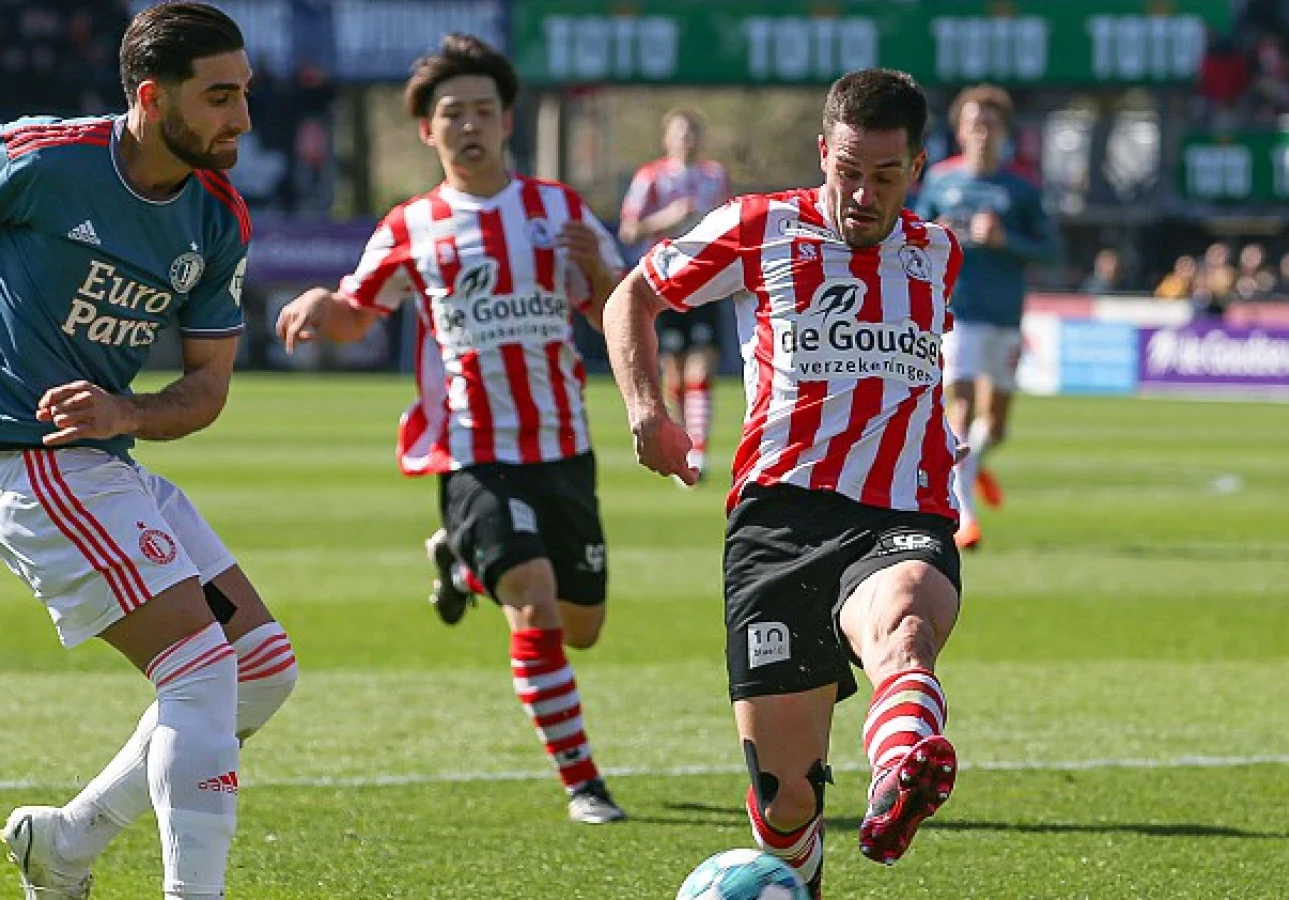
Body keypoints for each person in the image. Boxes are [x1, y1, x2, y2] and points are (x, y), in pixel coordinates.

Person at [0, 5, 298, 898]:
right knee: (200, 668)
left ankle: (70, 843)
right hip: (31, 464)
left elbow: (205, 392)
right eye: (220, 97)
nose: (241, 118)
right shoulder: (43, 159)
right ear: (154, 98)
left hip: (106, 464)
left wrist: (123, 411)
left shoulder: (217, 217)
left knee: (261, 670)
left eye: (245, 94)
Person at [604, 68, 966, 897]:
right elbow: (632, 298)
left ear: (915, 169)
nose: (862, 194)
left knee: (903, 625)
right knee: (784, 794)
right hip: (779, 523)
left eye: (885, 175)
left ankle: (904, 768)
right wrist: (647, 410)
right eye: (848, 170)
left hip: (901, 514)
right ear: (822, 153)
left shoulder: (939, 254)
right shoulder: (757, 227)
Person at [273, 33, 628, 825]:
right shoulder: (412, 226)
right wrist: (317, 308)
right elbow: (356, 311)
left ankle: (464, 564)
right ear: (428, 131)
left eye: (482, 110)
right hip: (471, 450)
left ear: (507, 121)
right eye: (451, 114)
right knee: (534, 605)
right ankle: (584, 783)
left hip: (564, 446)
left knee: (584, 626)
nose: (468, 125)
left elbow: (616, 318)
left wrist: (602, 276)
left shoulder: (559, 212)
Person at [915, 84, 1059, 549]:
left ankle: (971, 468)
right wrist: (938, 235)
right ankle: (963, 519)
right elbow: (912, 236)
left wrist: (1005, 241)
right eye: (974, 123)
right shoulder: (939, 180)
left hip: (1005, 315)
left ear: (1004, 132)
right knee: (959, 407)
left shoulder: (1020, 189)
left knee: (995, 426)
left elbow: (1052, 250)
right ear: (959, 130)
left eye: (990, 124)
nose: (982, 132)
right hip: (957, 314)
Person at [618, 108, 732, 479]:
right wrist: (669, 217)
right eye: (679, 133)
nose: (686, 140)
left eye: (691, 133)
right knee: (674, 371)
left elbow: (732, 223)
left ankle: (699, 450)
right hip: (665, 283)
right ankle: (683, 442)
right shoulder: (650, 178)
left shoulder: (714, 176)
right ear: (667, 139)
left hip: (707, 282)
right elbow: (630, 230)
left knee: (702, 363)